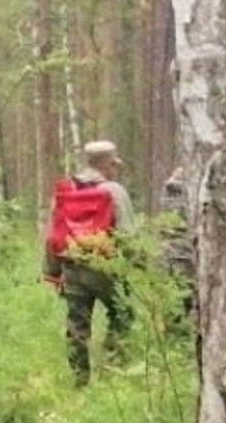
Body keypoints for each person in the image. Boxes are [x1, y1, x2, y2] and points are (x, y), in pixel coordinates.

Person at [43, 139, 135, 387]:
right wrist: (136, 269)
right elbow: (127, 236)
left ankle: (80, 381)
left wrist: (53, 272)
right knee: (123, 314)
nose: (115, 169)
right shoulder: (114, 191)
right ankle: (112, 371)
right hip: (106, 268)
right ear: (107, 164)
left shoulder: (64, 191)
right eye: (113, 164)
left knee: (77, 325)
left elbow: (53, 235)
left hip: (72, 268)